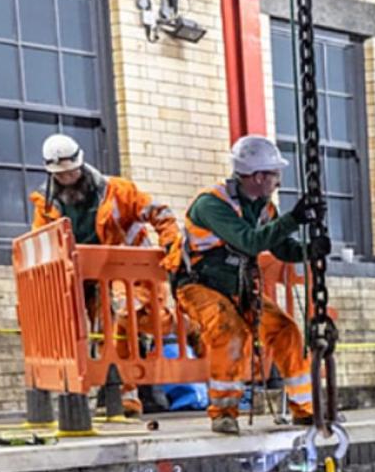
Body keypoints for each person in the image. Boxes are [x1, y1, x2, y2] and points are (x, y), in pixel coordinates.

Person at [176, 135, 328, 435]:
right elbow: (249, 241)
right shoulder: (212, 204)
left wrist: (310, 250)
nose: (278, 181)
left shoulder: (262, 207)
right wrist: (294, 218)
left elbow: (281, 247)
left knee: (285, 330)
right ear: (258, 176)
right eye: (274, 175)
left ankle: (306, 408)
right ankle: (223, 413)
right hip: (200, 286)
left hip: (239, 288)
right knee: (229, 332)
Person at [31, 134, 185, 418]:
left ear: (81, 165)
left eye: (71, 172)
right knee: (108, 332)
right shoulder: (46, 204)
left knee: (143, 319)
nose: (67, 178)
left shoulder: (118, 191)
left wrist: (171, 242)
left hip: (132, 272)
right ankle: (122, 397)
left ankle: (187, 329)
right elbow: (41, 243)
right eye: (61, 175)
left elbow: (160, 213)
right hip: (87, 280)